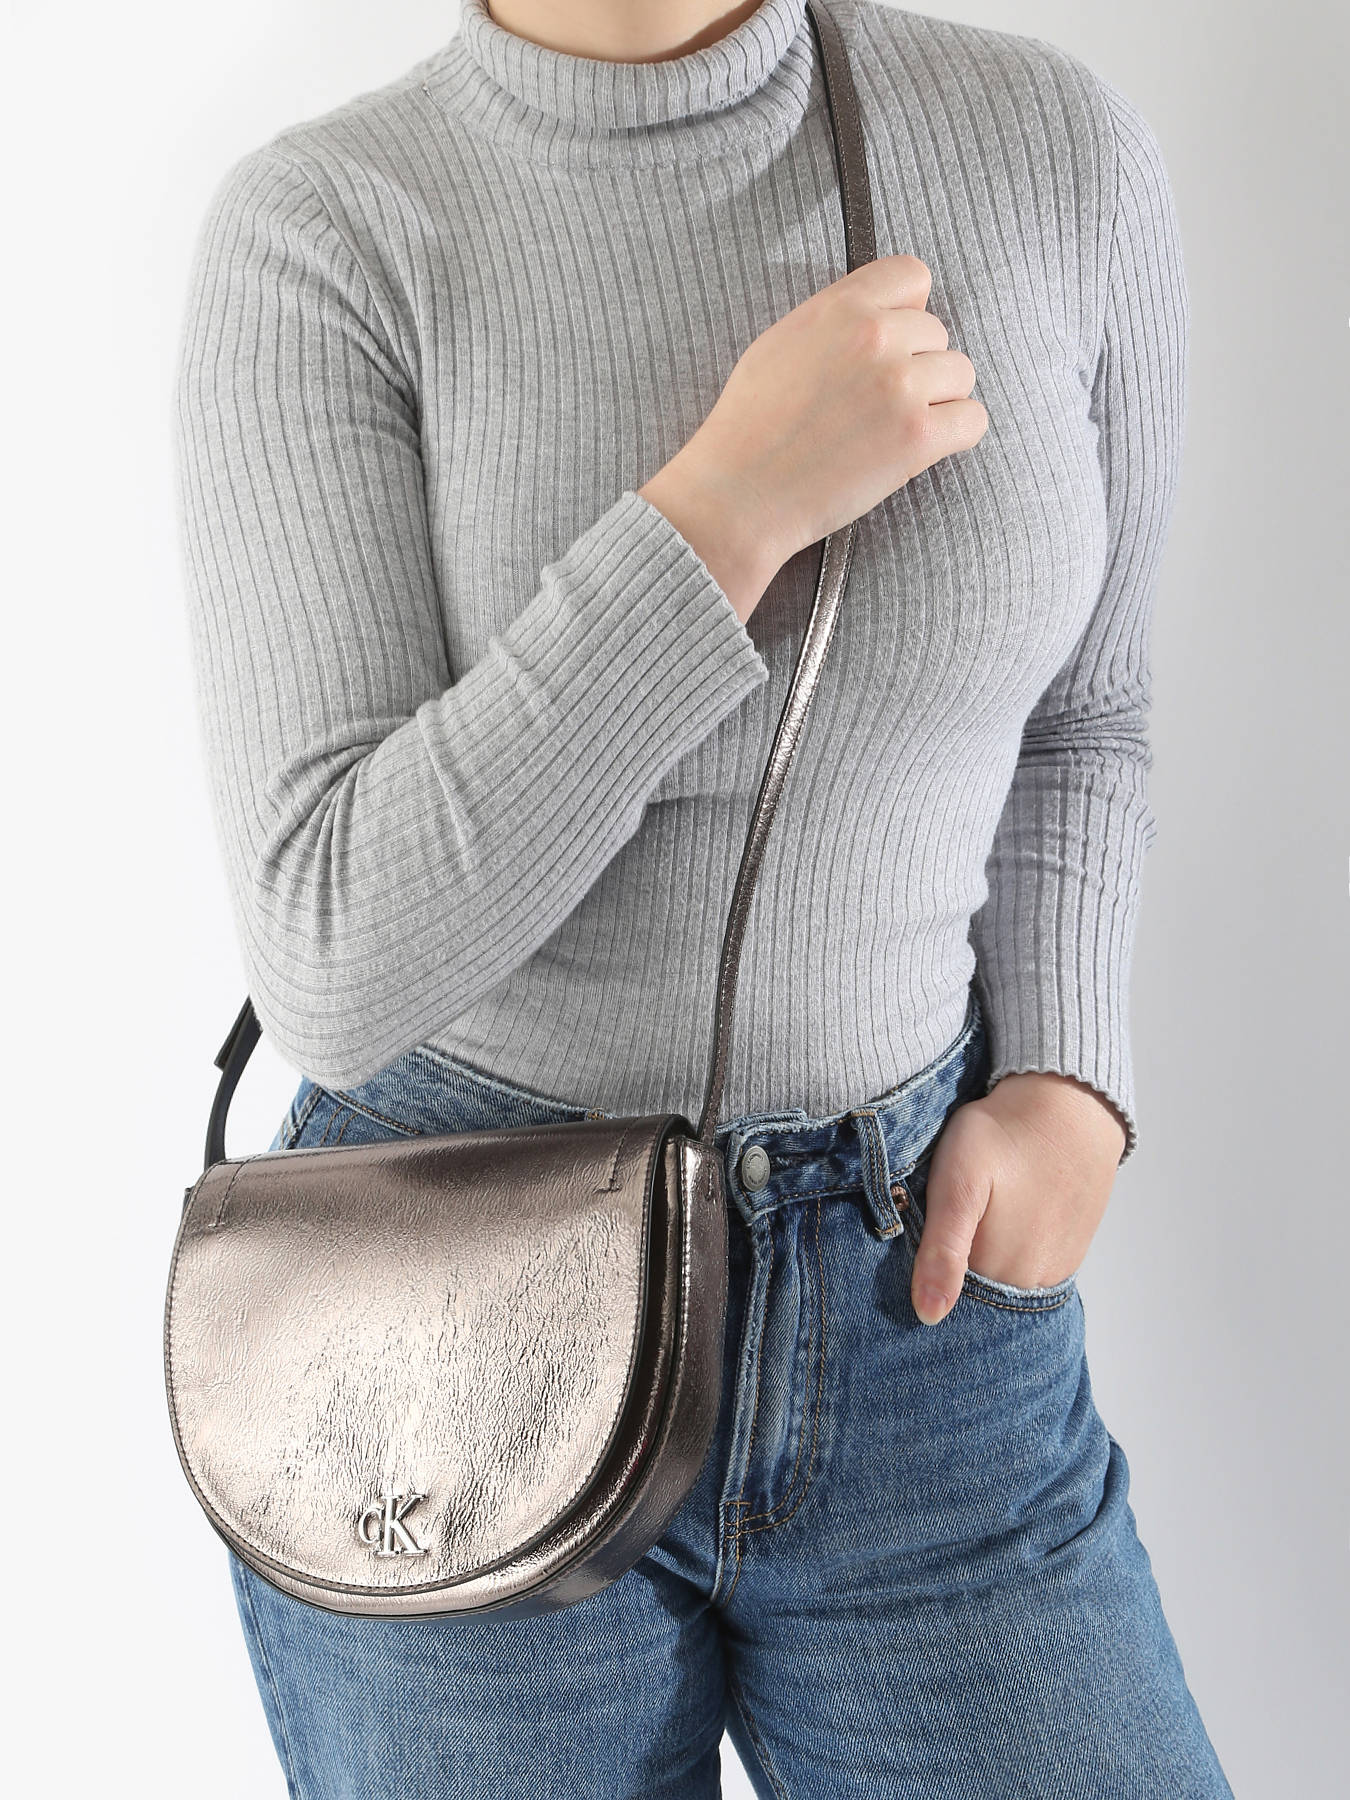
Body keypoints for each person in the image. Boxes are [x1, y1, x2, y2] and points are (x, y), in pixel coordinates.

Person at [173, 0, 1232, 1793]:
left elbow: (1088, 718)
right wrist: (722, 511)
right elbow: (334, 955)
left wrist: (1069, 1081)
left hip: (922, 1296)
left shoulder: (1049, 150)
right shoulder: (330, 230)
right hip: (452, 1317)